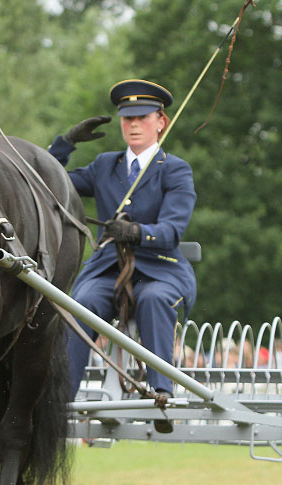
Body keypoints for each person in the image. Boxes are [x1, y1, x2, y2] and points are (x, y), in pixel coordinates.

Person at [48, 79, 197, 406]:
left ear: (161, 122)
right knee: (79, 304)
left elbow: (172, 231)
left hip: (160, 272)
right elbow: (47, 182)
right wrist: (65, 143)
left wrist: (137, 233)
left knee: (155, 299)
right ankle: (59, 402)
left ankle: (162, 393)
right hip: (106, 272)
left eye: (142, 117)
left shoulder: (175, 170)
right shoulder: (104, 165)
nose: (133, 124)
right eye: (128, 118)